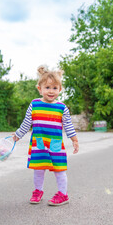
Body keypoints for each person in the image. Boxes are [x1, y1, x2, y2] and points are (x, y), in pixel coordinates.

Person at [13, 65, 79, 206]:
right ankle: (38, 191)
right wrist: (17, 135)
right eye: (47, 87)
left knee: (59, 170)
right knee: (38, 169)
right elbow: (26, 123)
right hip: (39, 144)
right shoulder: (35, 104)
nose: (51, 91)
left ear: (60, 90)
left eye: (55, 88)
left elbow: (68, 125)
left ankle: (63, 194)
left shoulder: (62, 107)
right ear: (40, 88)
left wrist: (74, 140)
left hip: (55, 144)